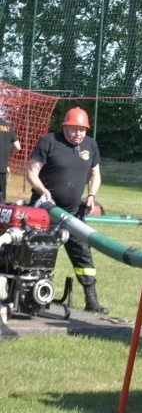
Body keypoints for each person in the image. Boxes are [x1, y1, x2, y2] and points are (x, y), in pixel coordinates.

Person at [26, 107, 108, 314]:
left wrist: (91, 195)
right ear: (64, 127)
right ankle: (31, 297)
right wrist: (42, 190)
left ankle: (92, 300)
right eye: (73, 129)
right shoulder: (49, 142)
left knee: (83, 255)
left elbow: (95, 174)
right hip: (44, 212)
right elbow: (31, 172)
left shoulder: (91, 145)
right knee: (37, 254)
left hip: (73, 213)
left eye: (82, 130)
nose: (78, 134)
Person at [0, 110, 21, 201]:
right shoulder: (8, 126)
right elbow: (17, 147)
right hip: (2, 168)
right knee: (1, 199)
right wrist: (7, 154)